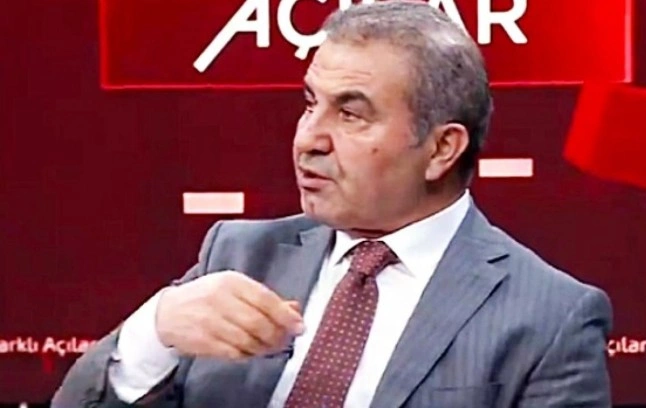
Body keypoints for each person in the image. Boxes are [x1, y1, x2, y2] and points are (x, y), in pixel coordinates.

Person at [52, 1, 613, 407]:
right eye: (309, 104)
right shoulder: (238, 255)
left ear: (442, 148)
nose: (308, 139)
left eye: (350, 113)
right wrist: (154, 333)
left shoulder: (549, 319)